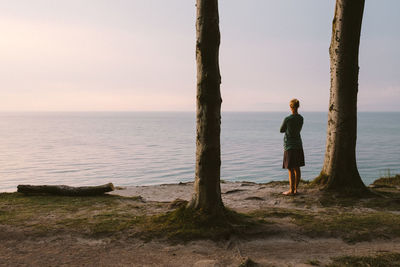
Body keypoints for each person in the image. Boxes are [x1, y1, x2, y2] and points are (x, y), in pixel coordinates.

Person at [280, 98, 305, 195]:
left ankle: (291, 190)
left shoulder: (288, 119)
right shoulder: (301, 118)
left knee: (290, 169)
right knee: (297, 168)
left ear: (291, 107)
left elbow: (281, 130)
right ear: (298, 106)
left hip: (289, 145)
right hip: (298, 145)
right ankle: (296, 189)